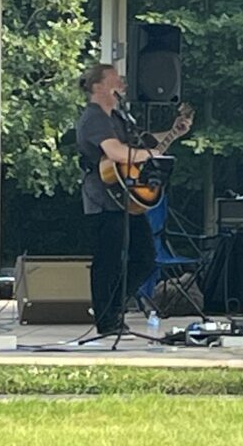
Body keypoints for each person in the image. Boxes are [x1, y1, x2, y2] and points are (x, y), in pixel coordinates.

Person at [76, 62, 192, 334]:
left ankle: (113, 306)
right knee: (108, 261)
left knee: (145, 257)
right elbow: (116, 152)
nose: (123, 84)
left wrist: (174, 132)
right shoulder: (94, 118)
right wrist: (150, 156)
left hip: (126, 197)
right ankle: (106, 320)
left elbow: (147, 144)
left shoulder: (120, 118)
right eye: (116, 79)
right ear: (98, 86)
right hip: (103, 199)